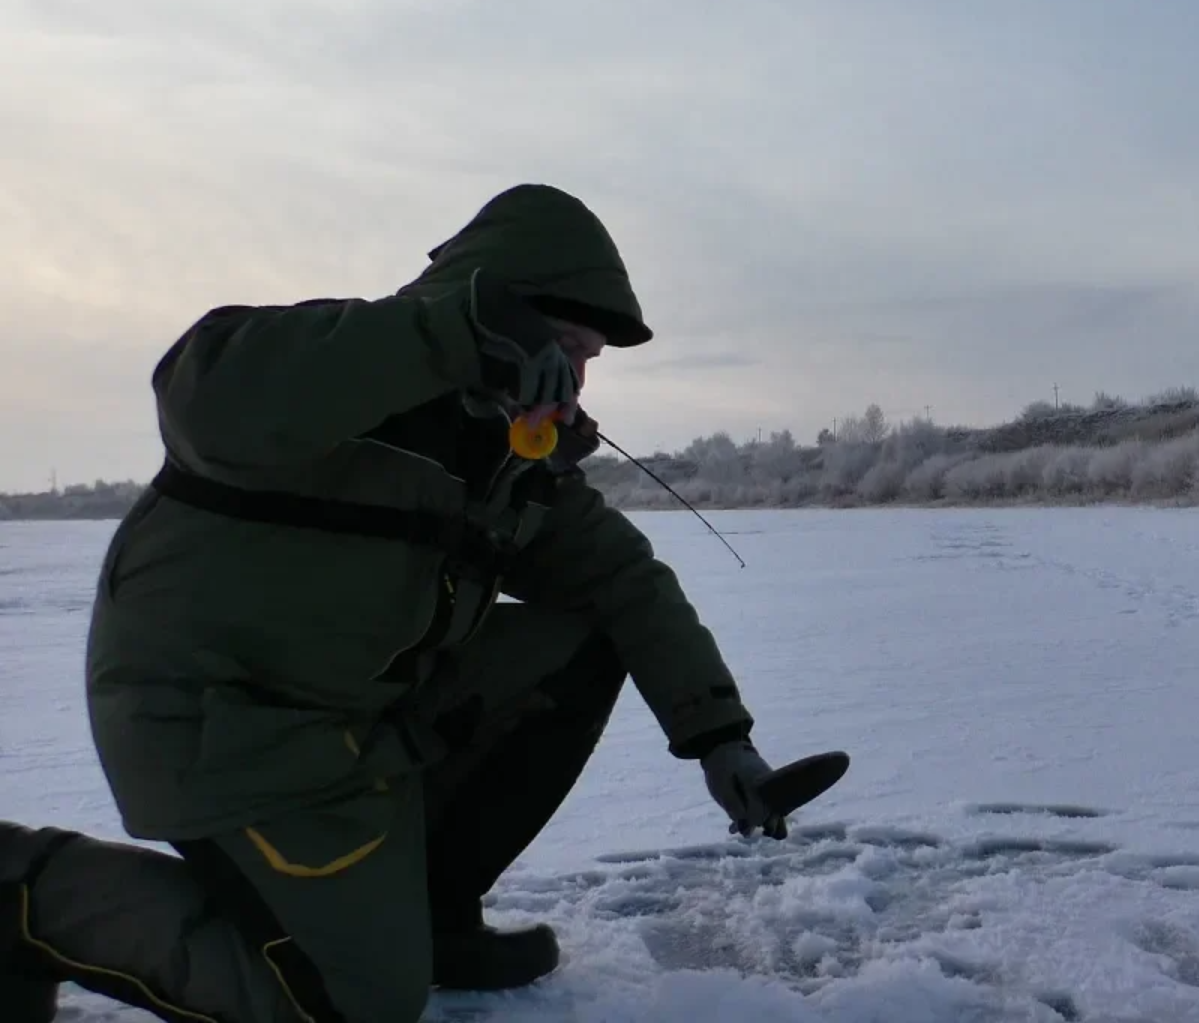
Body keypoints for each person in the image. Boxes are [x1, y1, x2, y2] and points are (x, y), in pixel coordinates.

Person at [0, 183, 796, 1022]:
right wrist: (449, 338)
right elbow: (205, 395)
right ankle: (23, 888)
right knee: (353, 1006)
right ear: (496, 312)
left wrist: (719, 737)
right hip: (217, 729)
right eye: (566, 345)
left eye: (589, 358)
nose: (576, 377)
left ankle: (433, 914)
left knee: (584, 639)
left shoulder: (504, 461)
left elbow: (626, 582)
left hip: (348, 728)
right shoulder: (333, 374)